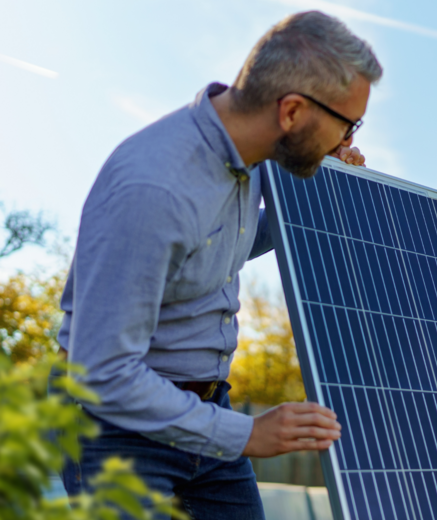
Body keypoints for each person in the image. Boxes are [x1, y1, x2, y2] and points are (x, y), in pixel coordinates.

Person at [55, 11, 382, 519]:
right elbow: (100, 374)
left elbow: (213, 251)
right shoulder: (154, 188)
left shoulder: (247, 161)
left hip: (208, 407)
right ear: (292, 111)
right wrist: (247, 433)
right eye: (346, 123)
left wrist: (322, 182)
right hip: (115, 423)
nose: (348, 138)